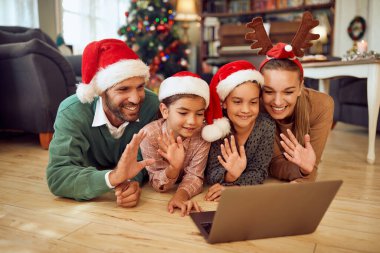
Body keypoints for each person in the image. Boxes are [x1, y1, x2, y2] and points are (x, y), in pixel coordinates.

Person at [46, 39, 159, 207]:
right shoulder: (72, 111)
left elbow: (144, 158)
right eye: (123, 89)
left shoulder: (151, 105)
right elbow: (59, 176)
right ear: (101, 91)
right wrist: (113, 178)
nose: (136, 99)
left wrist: (131, 181)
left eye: (140, 87)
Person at [201, 60, 276, 201]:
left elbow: (259, 171)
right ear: (224, 103)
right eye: (237, 102)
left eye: (253, 102)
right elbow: (211, 174)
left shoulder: (266, 127)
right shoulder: (219, 131)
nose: (246, 110)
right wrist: (231, 175)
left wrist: (235, 188)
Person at [260, 43, 334, 182]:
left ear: (300, 87)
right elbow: (274, 164)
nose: (277, 102)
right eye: (269, 91)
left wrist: (304, 170)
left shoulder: (322, 106)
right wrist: (301, 170)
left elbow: (310, 168)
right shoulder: (255, 105)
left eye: (288, 92)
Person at [139, 71, 211, 216]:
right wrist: (174, 168)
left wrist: (180, 196)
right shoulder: (150, 135)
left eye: (199, 114)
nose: (192, 121)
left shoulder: (204, 135)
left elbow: (195, 176)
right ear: (165, 111)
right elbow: (156, 182)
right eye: (183, 113)